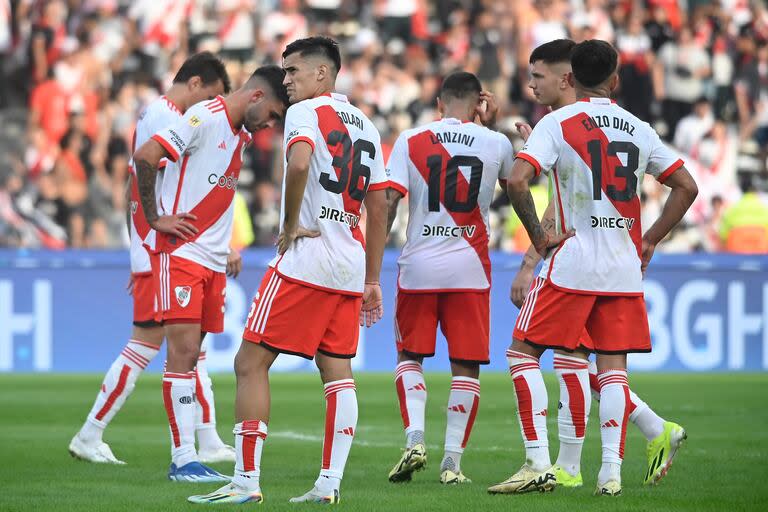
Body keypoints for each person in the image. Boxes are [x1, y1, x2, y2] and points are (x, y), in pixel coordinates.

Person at [489, 39, 698, 497]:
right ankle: (610, 475)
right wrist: (650, 239)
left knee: (522, 352)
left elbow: (518, 182)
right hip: (624, 265)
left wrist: (540, 243)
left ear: (571, 79)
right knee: (612, 370)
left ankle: (538, 462)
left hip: (574, 263)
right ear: (616, 80)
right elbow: (686, 186)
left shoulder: (557, 123)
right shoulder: (639, 127)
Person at [187, 36, 389, 505]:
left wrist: (291, 222)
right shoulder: (369, 127)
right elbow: (379, 208)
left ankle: (245, 481)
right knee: (337, 371)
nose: (287, 80)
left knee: (249, 362)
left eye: (293, 70)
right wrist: (373, 278)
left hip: (306, 259)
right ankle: (328, 486)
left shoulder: (305, 112)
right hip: (349, 262)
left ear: (322, 74)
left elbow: (299, 163)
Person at [69, 52, 238, 467]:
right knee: (148, 344)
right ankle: (91, 432)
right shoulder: (166, 117)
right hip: (163, 249)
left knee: (191, 349)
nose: (210, 108)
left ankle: (208, 437)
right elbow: (143, 179)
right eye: (210, 97)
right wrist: (145, 247)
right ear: (195, 84)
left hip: (157, 245)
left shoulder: (157, 113)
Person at [132, 64, 290, 482]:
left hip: (211, 261)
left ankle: (188, 458)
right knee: (181, 355)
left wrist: (225, 249)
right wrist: (155, 218)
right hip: (182, 253)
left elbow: (211, 190)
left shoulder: (238, 135)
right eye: (273, 114)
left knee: (193, 356)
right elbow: (146, 156)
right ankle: (182, 459)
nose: (271, 124)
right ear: (256, 97)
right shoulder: (204, 117)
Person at [384, 72, 510, 485]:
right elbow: (517, 184)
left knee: (409, 357)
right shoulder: (496, 142)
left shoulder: (410, 140)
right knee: (466, 367)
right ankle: (451, 464)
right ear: (479, 102)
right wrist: (489, 125)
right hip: (470, 268)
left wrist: (370, 264)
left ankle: (415, 439)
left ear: (439, 103)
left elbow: (388, 203)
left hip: (418, 265)